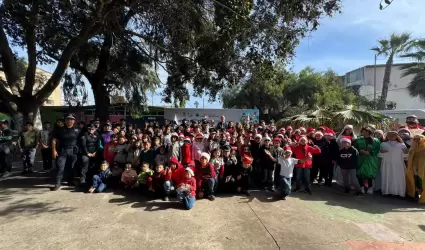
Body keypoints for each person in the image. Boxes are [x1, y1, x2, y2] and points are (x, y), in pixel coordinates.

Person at [51, 114, 80, 191]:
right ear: (65, 121)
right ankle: (58, 183)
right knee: (60, 167)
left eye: (71, 120)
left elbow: (80, 141)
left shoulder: (77, 130)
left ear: (74, 121)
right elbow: (54, 141)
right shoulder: (59, 130)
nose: (69, 121)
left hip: (73, 151)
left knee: (71, 167)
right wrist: (54, 150)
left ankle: (70, 181)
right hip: (62, 151)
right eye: (68, 119)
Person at [379, 131, 408, 197]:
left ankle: (398, 192)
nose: (392, 136)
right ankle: (387, 191)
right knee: (387, 176)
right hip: (386, 164)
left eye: (394, 135)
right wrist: (381, 152)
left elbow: (406, 156)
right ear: (387, 136)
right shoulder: (383, 144)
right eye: (390, 135)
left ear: (397, 136)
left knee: (398, 178)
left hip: (398, 164)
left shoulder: (401, 144)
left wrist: (406, 151)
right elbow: (380, 155)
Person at [353, 127, 380, 194]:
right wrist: (359, 151)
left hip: (370, 159)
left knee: (369, 173)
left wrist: (370, 152)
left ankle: (370, 187)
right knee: (360, 173)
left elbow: (377, 149)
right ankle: (361, 186)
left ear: (369, 132)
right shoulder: (358, 140)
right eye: (363, 131)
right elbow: (354, 148)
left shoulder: (375, 140)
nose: (364, 133)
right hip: (361, 158)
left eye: (366, 131)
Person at [406, 135, 425, 203]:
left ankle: (422, 195)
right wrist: (413, 148)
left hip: (422, 167)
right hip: (414, 166)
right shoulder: (413, 147)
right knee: (414, 180)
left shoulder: (424, 146)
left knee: (422, 181)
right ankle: (415, 195)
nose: (416, 140)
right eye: (415, 139)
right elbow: (410, 155)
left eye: (418, 139)